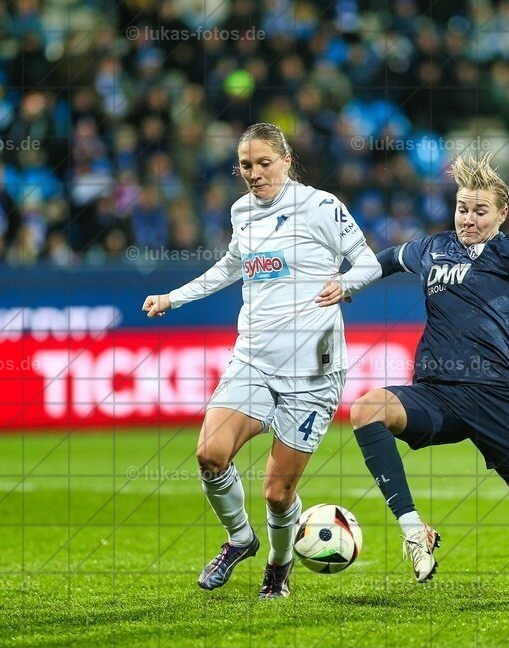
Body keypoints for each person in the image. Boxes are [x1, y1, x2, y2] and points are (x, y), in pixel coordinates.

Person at [334, 153, 509, 583]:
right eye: (462, 208)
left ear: (502, 214)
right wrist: (348, 283)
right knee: (365, 410)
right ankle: (414, 532)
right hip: (437, 394)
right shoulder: (433, 248)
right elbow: (390, 258)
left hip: (496, 398)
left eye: (480, 211)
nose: (468, 219)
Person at [142, 123, 381, 598]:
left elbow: (368, 262)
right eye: (246, 165)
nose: (254, 173)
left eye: (264, 163)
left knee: (277, 492)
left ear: (287, 161)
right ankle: (239, 539)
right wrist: (175, 297)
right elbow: (231, 265)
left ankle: (278, 564)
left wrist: (346, 285)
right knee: (210, 454)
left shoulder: (321, 207)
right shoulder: (242, 212)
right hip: (252, 359)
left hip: (312, 372)